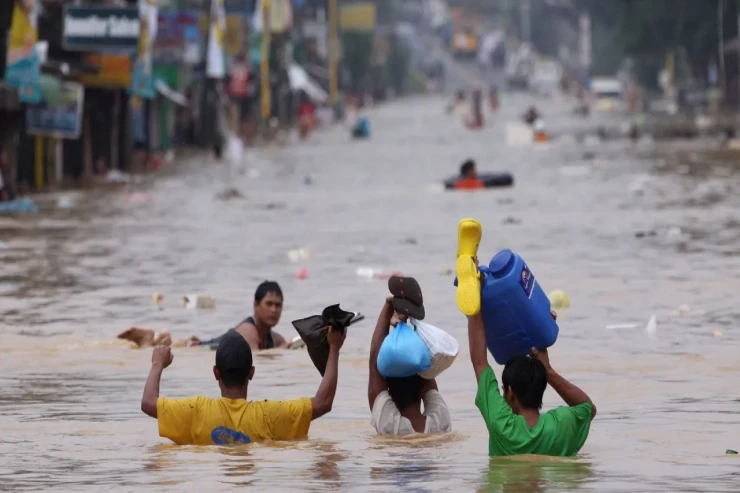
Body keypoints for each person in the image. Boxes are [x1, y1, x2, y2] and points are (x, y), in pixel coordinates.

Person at [141, 328, 345, 445]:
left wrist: (157, 364)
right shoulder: (269, 415)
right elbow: (323, 402)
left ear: (215, 373)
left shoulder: (196, 410)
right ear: (252, 373)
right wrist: (334, 348)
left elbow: (148, 403)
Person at [467, 307, 596, 456]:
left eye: (504, 390)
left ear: (511, 393)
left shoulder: (501, 425)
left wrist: (473, 304)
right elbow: (588, 408)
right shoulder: (562, 424)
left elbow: (479, 361)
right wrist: (548, 371)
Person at [368, 290, 451, 435]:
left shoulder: (390, 426)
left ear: (389, 392)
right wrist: (407, 329)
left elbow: (375, 367)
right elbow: (427, 372)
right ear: (421, 389)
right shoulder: (440, 423)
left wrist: (388, 306)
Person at [118, 281, 289, 350]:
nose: (273, 310)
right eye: (269, 304)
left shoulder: (275, 338)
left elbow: (284, 348)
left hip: (197, 344)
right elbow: (256, 359)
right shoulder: (249, 331)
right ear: (255, 305)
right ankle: (147, 340)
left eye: (278, 305)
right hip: (198, 348)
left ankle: (153, 339)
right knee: (154, 351)